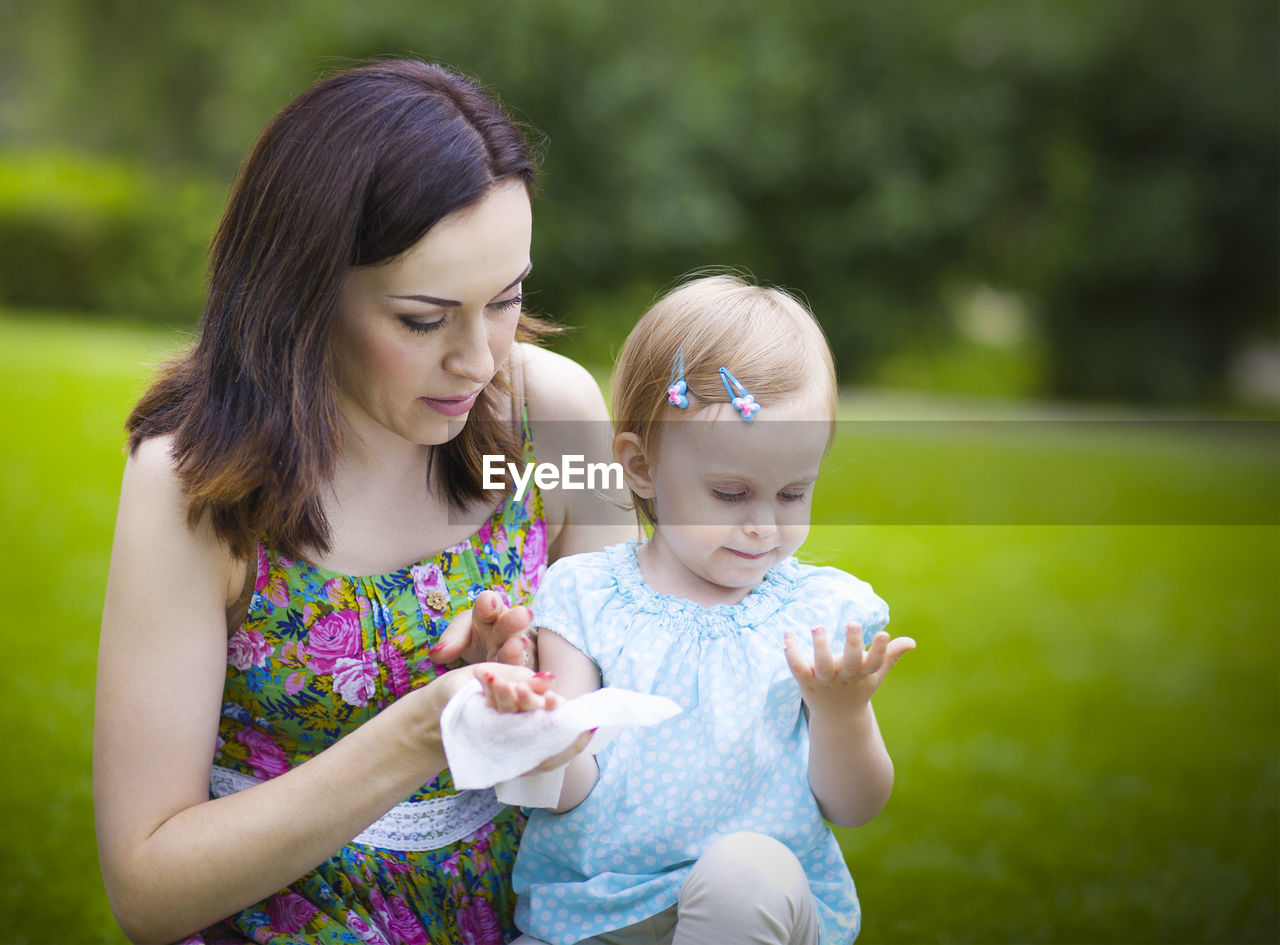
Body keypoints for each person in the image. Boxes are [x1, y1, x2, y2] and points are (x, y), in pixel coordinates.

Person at [94, 59, 634, 944]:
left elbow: (641, 682)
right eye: (424, 319)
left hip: (544, 908)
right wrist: (424, 732)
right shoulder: (196, 480)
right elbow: (149, 888)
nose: (481, 359)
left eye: (508, 300)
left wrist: (544, 677)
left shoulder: (554, 421)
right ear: (303, 291)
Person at [475, 274, 916, 944]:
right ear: (642, 467)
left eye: (794, 493)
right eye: (732, 493)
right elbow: (566, 790)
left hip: (747, 915)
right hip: (596, 916)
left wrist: (842, 710)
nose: (764, 526)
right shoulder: (585, 597)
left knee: (745, 873)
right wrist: (536, 736)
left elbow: (855, 806)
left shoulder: (816, 613)